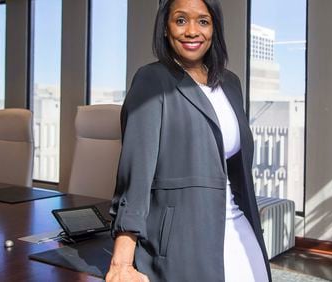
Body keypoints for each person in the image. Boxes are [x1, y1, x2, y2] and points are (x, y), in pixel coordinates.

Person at [105, 0, 272, 281]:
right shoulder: (152, 80)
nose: (192, 31)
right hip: (181, 241)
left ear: (214, 29)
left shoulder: (230, 83)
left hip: (237, 226)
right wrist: (122, 262)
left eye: (203, 21)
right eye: (181, 20)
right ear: (165, 29)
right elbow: (135, 177)